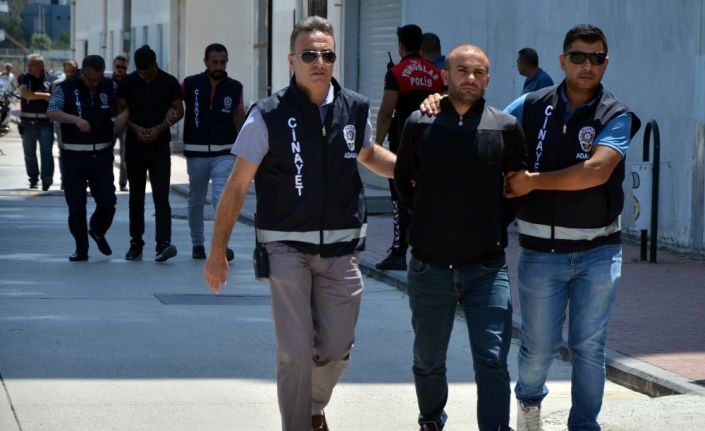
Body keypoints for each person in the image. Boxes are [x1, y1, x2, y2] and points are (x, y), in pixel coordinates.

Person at [203, 16, 396, 431]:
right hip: (286, 248)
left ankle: (312, 408)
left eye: (327, 55)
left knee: (337, 348)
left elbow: (368, 154)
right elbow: (237, 185)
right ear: (292, 60)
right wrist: (217, 251)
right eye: (309, 55)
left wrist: (417, 171)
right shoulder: (268, 115)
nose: (319, 62)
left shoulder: (354, 107)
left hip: (342, 250)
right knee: (294, 351)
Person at [502, 25, 641, 431]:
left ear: (606, 63)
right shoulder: (530, 104)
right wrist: (443, 101)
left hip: (598, 253)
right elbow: (488, 126)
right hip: (540, 254)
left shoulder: (616, 114)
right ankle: (529, 408)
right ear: (563, 60)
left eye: (596, 58)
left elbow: (596, 171)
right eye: (578, 57)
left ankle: (583, 425)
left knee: (588, 347)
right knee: (538, 349)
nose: (587, 65)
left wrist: (533, 181)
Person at [395, 44, 525, 431]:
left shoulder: (505, 127)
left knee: (493, 359)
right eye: (462, 70)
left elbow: (516, 188)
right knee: (428, 359)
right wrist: (431, 219)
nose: (470, 78)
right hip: (429, 268)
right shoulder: (419, 123)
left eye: (479, 72)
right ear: (445, 76)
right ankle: (431, 419)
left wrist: (490, 224)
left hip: (487, 268)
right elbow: (404, 182)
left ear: (488, 79)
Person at [375, 24, 444, 271]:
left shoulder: (396, 73)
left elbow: (386, 112)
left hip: (402, 144)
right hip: (432, 144)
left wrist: (376, 145)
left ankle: (398, 252)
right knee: (429, 196)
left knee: (399, 197)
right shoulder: (436, 73)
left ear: (401, 46)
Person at [47, 55, 122, 262]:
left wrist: (121, 120)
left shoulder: (110, 86)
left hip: (102, 155)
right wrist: (75, 120)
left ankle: (97, 230)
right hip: (73, 156)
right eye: (90, 79)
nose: (94, 84)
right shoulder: (65, 87)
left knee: (108, 201)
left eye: (98, 79)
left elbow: (126, 105)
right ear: (82, 73)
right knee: (77, 207)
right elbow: (52, 111)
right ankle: (81, 249)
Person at [116, 45, 183, 262]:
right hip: (135, 147)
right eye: (140, 72)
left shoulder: (169, 82)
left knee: (161, 197)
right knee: (136, 198)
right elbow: (120, 111)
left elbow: (179, 110)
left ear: (155, 65)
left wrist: (160, 128)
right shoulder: (128, 83)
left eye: (146, 72)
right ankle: (136, 243)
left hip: (159, 147)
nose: (143, 76)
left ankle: (163, 244)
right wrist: (135, 128)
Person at [182, 43, 245, 261]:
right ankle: (197, 243)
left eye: (222, 62)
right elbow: (173, 104)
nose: (219, 66)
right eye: (214, 62)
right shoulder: (190, 84)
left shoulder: (235, 87)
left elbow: (240, 118)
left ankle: (220, 246)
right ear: (205, 62)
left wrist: (247, 146)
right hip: (196, 152)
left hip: (225, 152)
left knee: (221, 200)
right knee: (196, 200)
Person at [17, 53, 54, 190]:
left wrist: (37, 95)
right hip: (27, 122)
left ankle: (47, 178)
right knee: (29, 153)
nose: (30, 66)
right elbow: (25, 94)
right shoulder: (24, 78)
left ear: (41, 65)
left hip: (45, 122)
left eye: (34, 64)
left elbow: (53, 97)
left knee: (46, 152)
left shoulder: (50, 79)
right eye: (30, 64)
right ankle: (33, 179)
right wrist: (44, 95)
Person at [52, 60, 80, 190]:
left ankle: (81, 179)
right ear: (64, 71)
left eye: (73, 71)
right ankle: (65, 179)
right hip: (62, 123)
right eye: (68, 71)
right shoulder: (58, 85)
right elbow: (55, 107)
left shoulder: (82, 84)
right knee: (64, 151)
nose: (71, 74)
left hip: (79, 123)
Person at [111, 55, 129, 192]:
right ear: (113, 67)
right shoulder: (106, 82)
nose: (120, 69)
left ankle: (123, 183)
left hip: (127, 123)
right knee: (106, 155)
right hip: (109, 122)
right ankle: (107, 182)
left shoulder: (131, 82)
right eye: (118, 66)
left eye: (123, 67)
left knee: (125, 156)